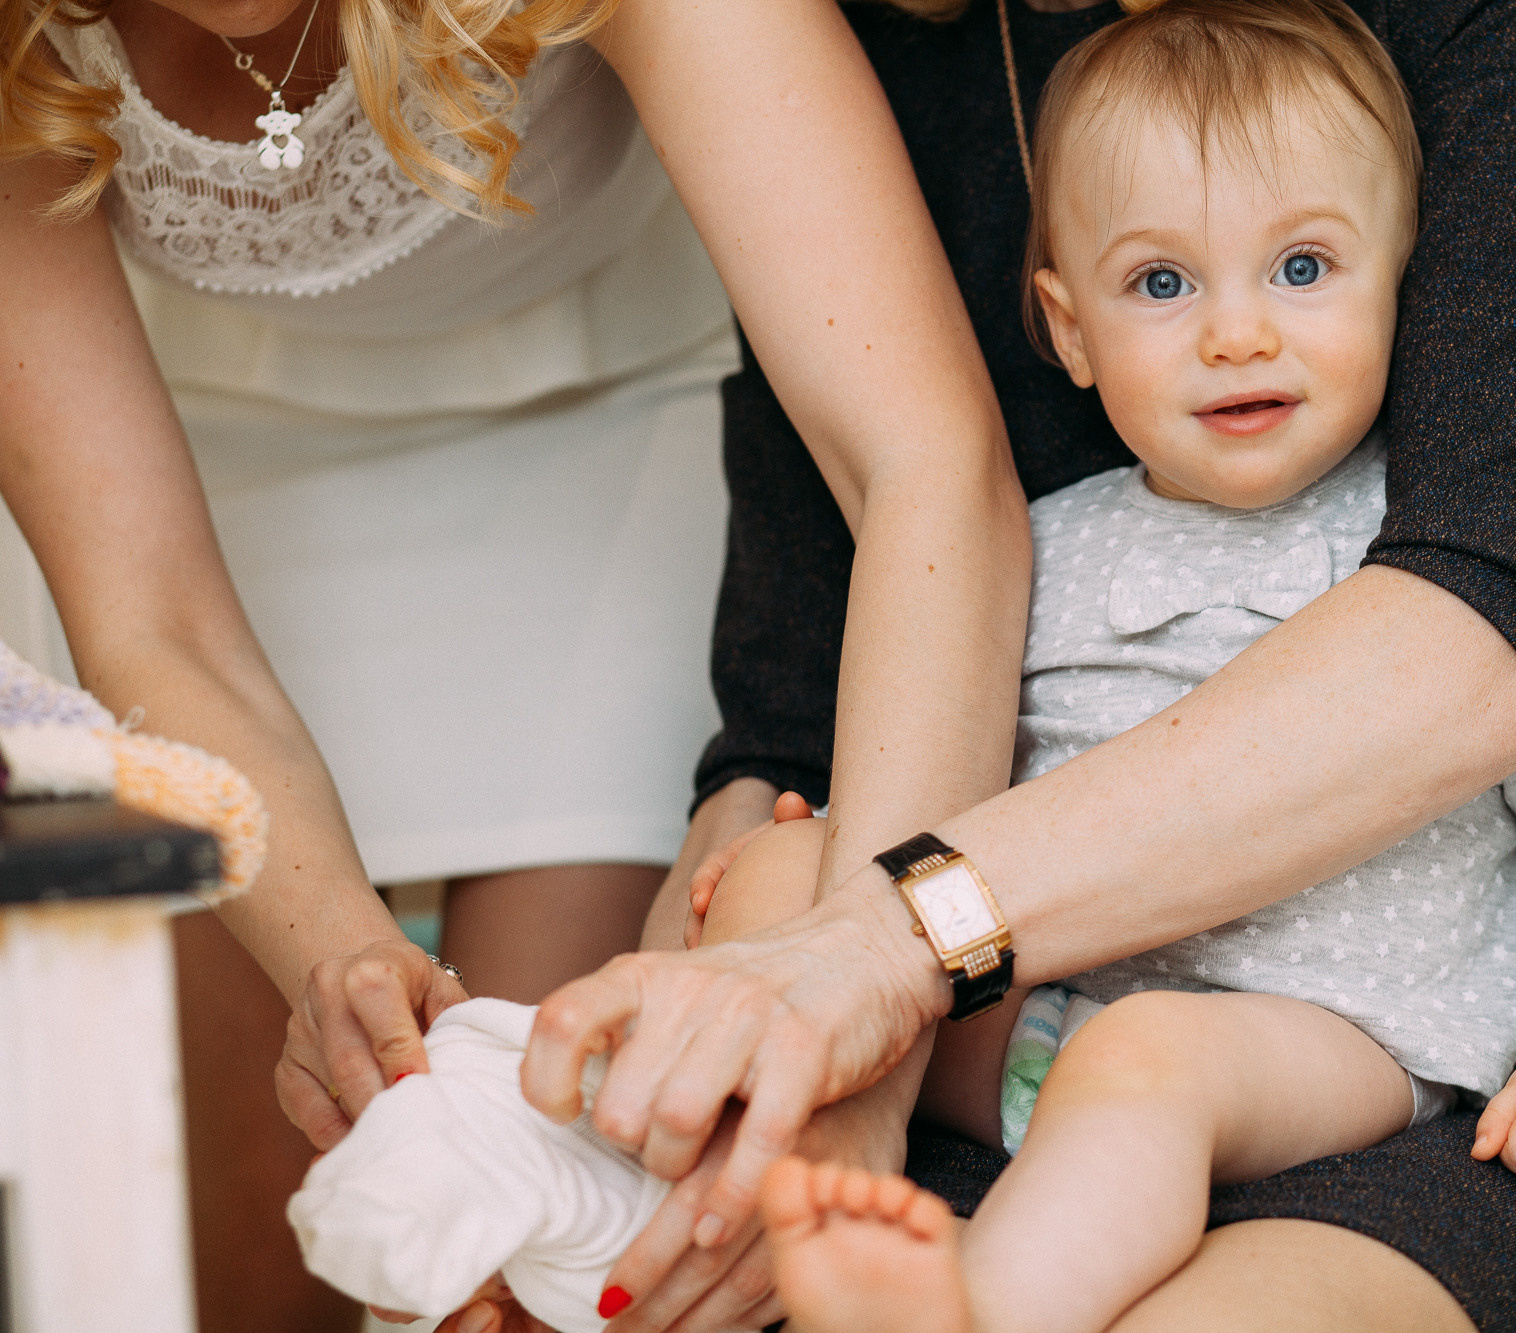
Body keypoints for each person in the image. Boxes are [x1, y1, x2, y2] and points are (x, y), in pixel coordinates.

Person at [524, 1, 1516, 1330]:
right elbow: (827, 743)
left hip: (1362, 1047)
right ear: (1066, 328)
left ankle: (978, 1312)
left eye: (1302, 269)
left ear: (1406, 277)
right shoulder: (1042, 548)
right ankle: (638, 1199)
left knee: (1145, 1060)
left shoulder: (1403, 530)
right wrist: (761, 895)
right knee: (787, 872)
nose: (1238, 333)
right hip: (1064, 1025)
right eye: (1163, 285)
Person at [0, 0, 1028, 1324]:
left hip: (603, 422)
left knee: (558, 1205)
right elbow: (152, 613)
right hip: (206, 464)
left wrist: (868, 1019)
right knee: (253, 1252)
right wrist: (340, 961)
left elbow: (925, 461)